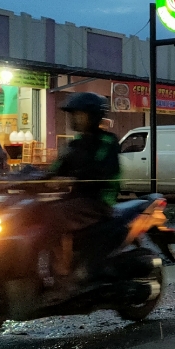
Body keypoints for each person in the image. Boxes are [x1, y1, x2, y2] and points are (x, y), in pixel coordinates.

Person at [47, 92, 120, 278]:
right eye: (73, 114)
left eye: (80, 114)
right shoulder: (75, 144)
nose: (75, 118)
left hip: (99, 201)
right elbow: (56, 168)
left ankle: (65, 270)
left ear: (94, 116)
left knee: (55, 214)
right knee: (36, 209)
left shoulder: (108, 142)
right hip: (77, 198)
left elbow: (102, 172)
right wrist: (29, 178)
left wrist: (72, 179)